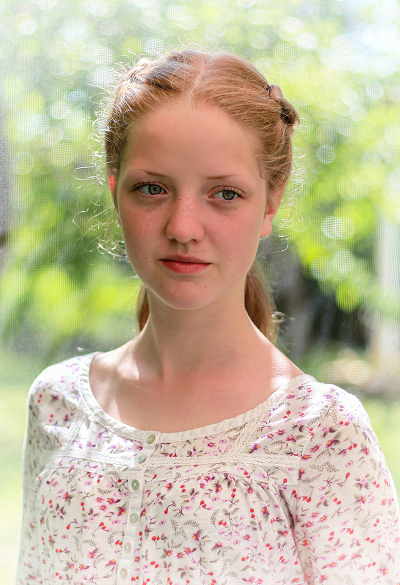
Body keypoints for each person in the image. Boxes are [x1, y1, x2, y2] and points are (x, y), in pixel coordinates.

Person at [16, 49, 400, 585]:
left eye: (225, 194)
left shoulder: (323, 436)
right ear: (114, 190)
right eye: (152, 188)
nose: (183, 227)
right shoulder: (57, 405)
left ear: (270, 204)